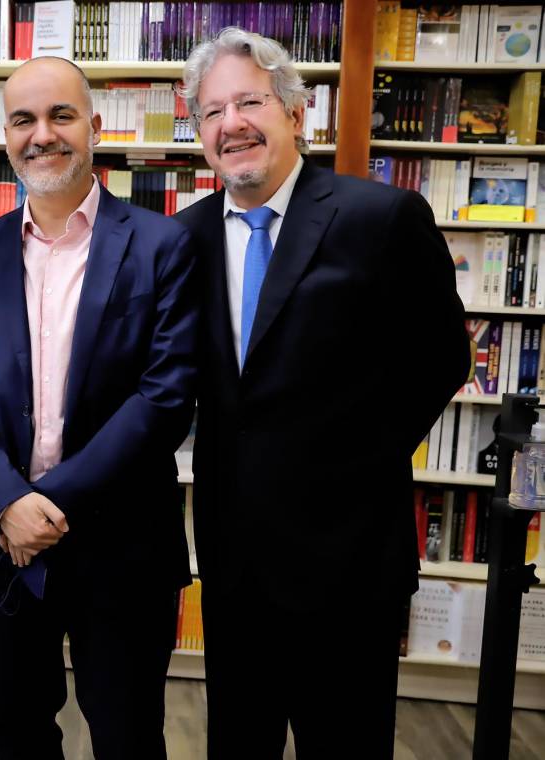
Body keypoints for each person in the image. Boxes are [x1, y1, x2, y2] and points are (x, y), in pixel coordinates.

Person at [175, 28, 470, 760]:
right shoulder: (181, 240)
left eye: (249, 102)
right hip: (233, 561)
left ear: (296, 113)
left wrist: (345, 464)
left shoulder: (379, 219)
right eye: (212, 112)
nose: (231, 124)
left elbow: (441, 359)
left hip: (348, 562)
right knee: (237, 745)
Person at [0, 56, 198, 759]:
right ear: (5, 137)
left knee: (128, 734)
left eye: (61, 116)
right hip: (4, 541)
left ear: (95, 127)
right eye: (23, 119)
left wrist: (41, 504)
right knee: (19, 733)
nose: (42, 134)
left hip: (122, 544)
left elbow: (165, 396)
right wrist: (6, 503)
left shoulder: (162, 245)